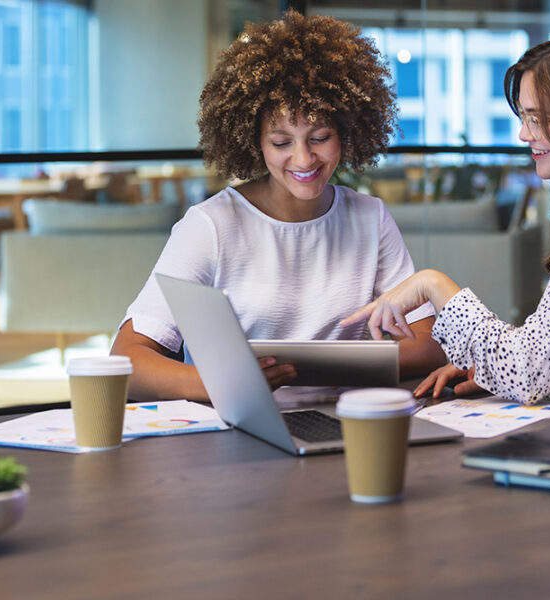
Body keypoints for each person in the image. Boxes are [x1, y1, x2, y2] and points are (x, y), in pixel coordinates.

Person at [111, 9, 446, 402]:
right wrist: (222, 383)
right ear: (254, 141)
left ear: (347, 132)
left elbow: (428, 345)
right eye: (282, 142)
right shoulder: (210, 226)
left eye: (320, 137)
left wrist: (316, 368)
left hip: (345, 422)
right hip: (242, 428)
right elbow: (127, 361)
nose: (304, 160)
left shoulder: (369, 218)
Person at [341, 28, 550, 416]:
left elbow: (528, 372)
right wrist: (489, 368)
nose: (524, 134)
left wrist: (433, 285)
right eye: (525, 117)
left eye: (539, 119)